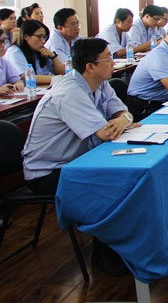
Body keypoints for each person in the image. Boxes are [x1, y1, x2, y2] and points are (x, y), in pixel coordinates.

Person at [20, 38, 139, 276]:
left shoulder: (101, 84)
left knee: (128, 176)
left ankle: (125, 245)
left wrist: (123, 120)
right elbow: (106, 133)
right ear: (90, 66)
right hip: (48, 171)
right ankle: (105, 256)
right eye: (108, 58)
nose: (113, 62)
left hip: (79, 160)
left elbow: (124, 113)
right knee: (110, 184)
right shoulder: (69, 91)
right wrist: (122, 122)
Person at [4, 20, 65, 84]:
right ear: (26, 37)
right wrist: (58, 79)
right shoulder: (14, 52)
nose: (43, 41)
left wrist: (53, 56)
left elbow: (61, 72)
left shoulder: (39, 51)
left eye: (44, 37)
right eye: (39, 37)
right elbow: (28, 77)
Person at [0, 28, 25, 95]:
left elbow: (17, 80)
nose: (3, 45)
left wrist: (18, 84)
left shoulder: (3, 61)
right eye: (0, 42)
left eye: (3, 41)